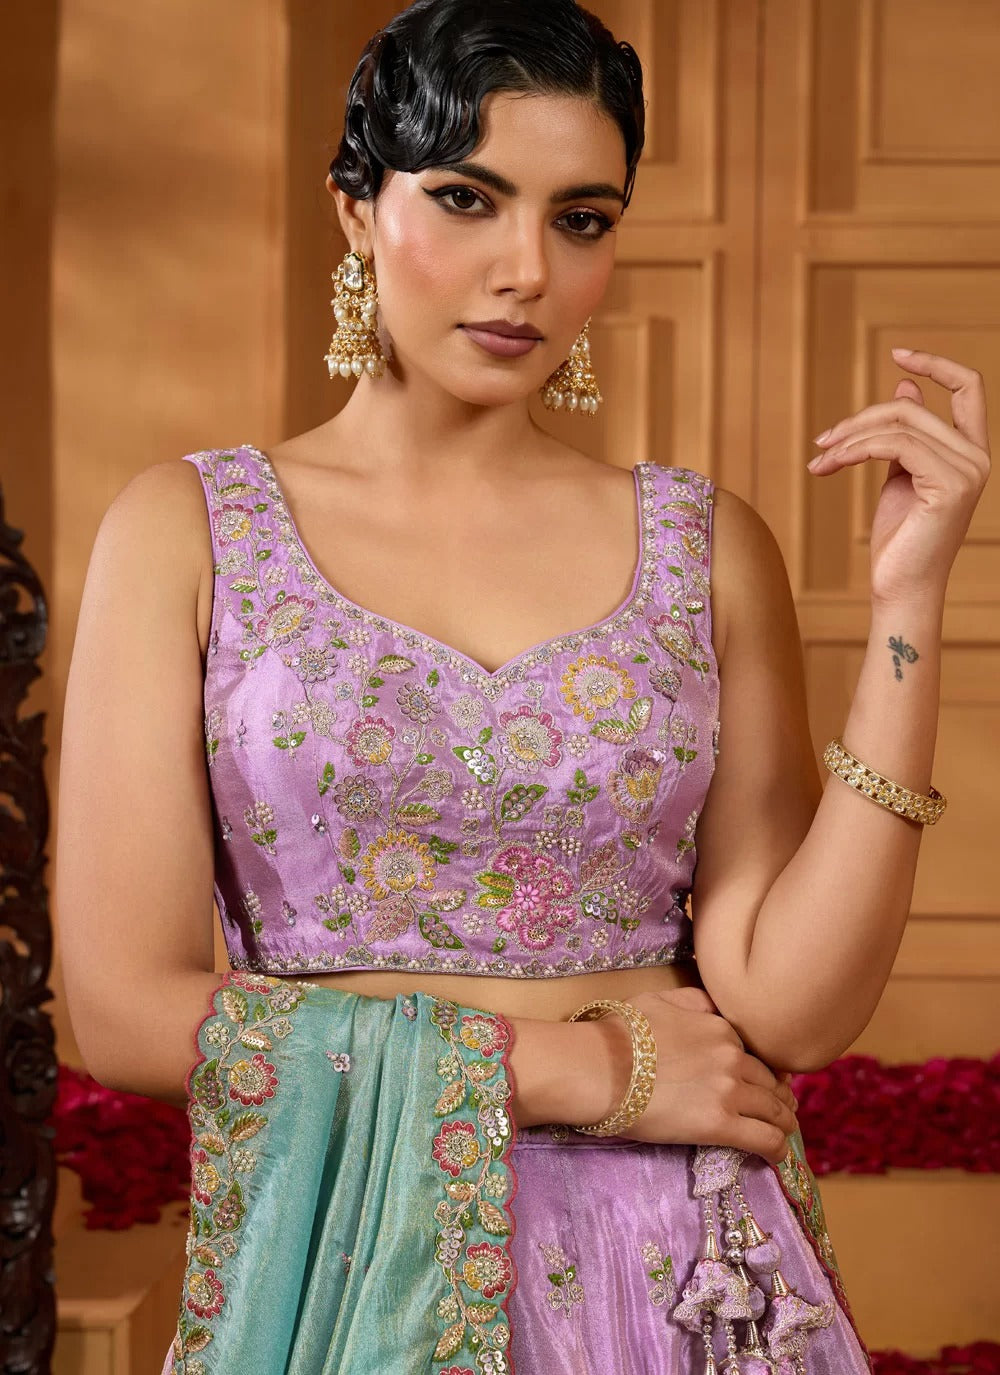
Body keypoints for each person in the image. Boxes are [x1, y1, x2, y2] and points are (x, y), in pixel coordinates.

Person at [56, 1, 991, 1371]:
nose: (525, 270)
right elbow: (125, 1010)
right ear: (357, 211)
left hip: (679, 1273)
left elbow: (789, 1005)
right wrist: (574, 1070)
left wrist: (913, 607)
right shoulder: (188, 531)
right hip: (345, 1259)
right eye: (467, 199)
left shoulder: (704, 545)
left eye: (582, 219)